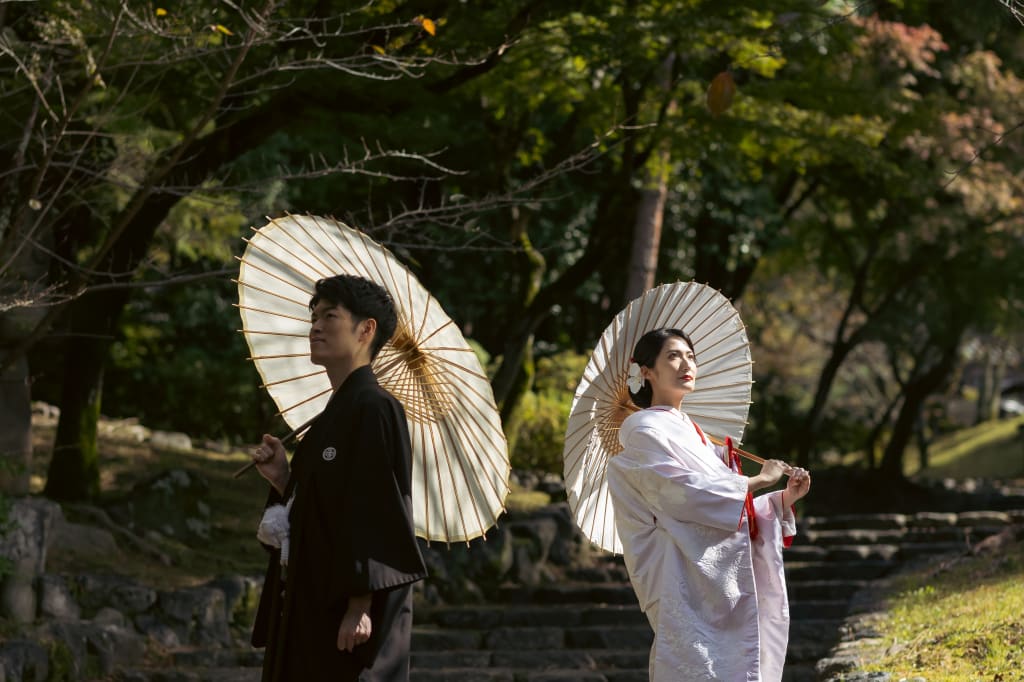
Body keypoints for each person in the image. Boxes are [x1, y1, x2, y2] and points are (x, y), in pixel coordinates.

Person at [249, 274, 427, 682]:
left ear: (366, 330)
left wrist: (360, 604)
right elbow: (321, 507)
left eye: (330, 316)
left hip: (345, 612)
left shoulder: (375, 407)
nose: (315, 326)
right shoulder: (334, 414)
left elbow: (374, 508)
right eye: (313, 316)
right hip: (308, 598)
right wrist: (284, 479)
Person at [607, 328, 811, 682]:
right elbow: (685, 494)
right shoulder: (643, 430)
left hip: (720, 578)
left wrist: (780, 499)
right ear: (646, 372)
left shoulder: (696, 434)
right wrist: (759, 480)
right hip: (683, 576)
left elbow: (725, 503)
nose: (686, 363)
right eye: (673, 355)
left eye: (690, 356)